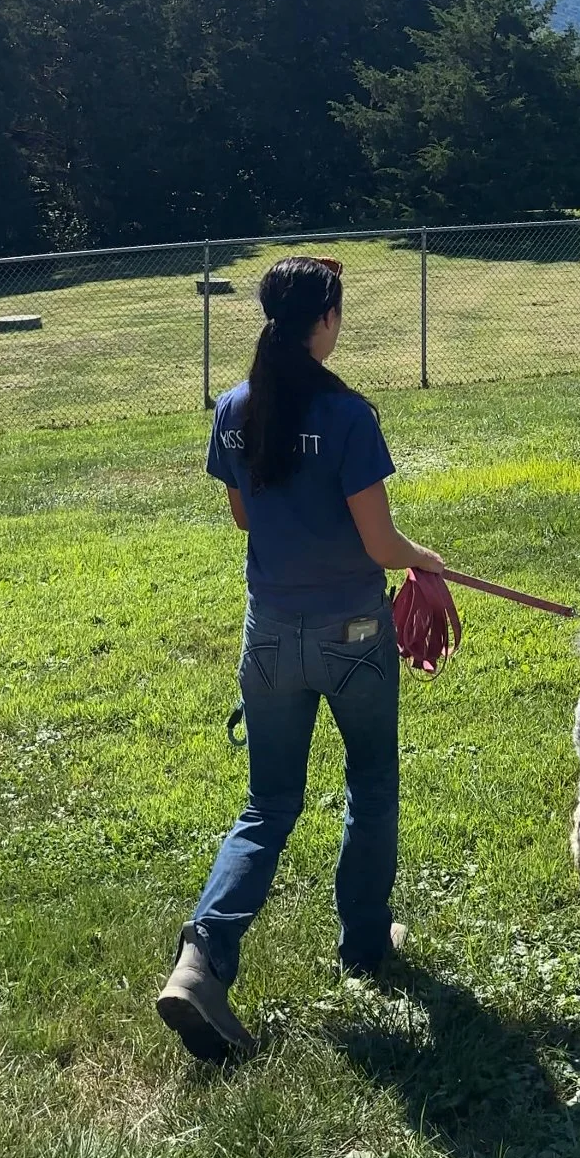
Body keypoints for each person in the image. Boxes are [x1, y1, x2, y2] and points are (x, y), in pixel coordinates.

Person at [157, 255, 445, 1061]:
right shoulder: (349, 414)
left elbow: (245, 518)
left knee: (269, 805)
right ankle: (361, 947)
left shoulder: (235, 408)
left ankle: (202, 959)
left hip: (271, 638)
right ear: (325, 320)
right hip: (352, 635)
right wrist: (428, 560)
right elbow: (379, 542)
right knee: (372, 787)